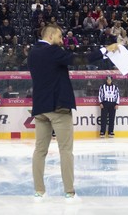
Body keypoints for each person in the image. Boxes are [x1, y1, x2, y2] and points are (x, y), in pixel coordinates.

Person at [28, 24, 119, 200]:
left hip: (40, 109)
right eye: (60, 37)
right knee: (66, 151)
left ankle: (39, 191)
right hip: (58, 108)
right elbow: (81, 60)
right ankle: (69, 192)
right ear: (52, 35)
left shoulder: (32, 53)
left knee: (40, 151)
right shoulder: (53, 51)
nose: (62, 41)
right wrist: (105, 50)